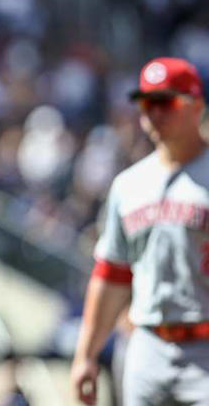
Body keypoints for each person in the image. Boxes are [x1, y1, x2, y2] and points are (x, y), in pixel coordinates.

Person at [71, 57, 209, 406]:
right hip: (147, 346)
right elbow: (112, 273)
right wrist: (86, 354)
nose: (155, 113)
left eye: (167, 102)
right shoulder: (128, 185)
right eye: (147, 103)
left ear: (197, 106)